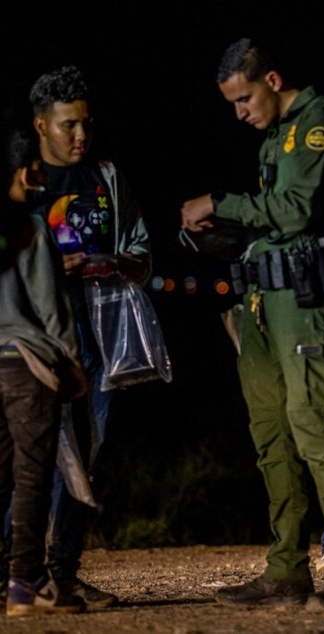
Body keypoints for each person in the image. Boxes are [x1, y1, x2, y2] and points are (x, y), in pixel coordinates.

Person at [180, 38, 324, 613]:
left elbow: (296, 209)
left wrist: (222, 202)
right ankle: (286, 570)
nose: (240, 113)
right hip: (260, 297)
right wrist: (222, 234)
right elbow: (273, 221)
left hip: (302, 298)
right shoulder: (274, 135)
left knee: (312, 424)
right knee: (271, 432)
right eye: (232, 105)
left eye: (243, 99)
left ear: (271, 80)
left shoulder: (317, 122)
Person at [30, 65, 151, 609]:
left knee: (84, 453)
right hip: (30, 335)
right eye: (67, 126)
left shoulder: (106, 176)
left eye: (86, 123)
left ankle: (63, 572)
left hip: (97, 333)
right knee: (22, 452)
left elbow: (144, 258)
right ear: (40, 126)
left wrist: (109, 262)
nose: (80, 135)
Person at [0, 127, 88, 617]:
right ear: (24, 172)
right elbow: (52, 308)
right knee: (32, 475)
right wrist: (73, 363)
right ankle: (27, 581)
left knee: (0, 472)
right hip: (26, 362)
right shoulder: (30, 224)